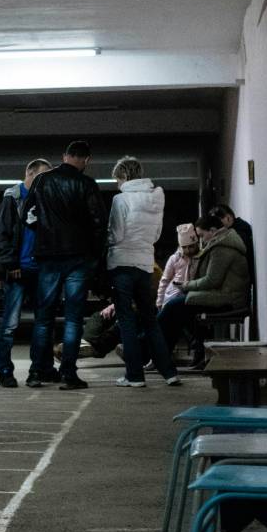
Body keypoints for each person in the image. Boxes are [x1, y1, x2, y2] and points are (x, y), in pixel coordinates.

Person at [21, 140, 106, 389]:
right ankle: (68, 373)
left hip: (48, 256)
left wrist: (44, 232)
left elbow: (27, 216)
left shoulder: (42, 180)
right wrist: (94, 256)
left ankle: (36, 372)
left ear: (64, 155)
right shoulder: (87, 184)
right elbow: (99, 223)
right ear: (87, 160)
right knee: (73, 319)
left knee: (43, 318)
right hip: (78, 258)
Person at [105, 156, 179, 387]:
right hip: (145, 264)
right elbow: (156, 235)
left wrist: (105, 240)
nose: (117, 184)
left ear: (124, 176)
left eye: (117, 179)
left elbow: (115, 234)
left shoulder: (120, 199)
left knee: (126, 320)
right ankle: (169, 372)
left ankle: (134, 375)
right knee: (150, 321)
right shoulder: (156, 197)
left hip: (122, 264)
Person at [157, 214, 250, 367]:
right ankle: (160, 352)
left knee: (174, 307)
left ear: (212, 231)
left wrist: (186, 286)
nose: (201, 240)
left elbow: (212, 280)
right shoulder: (220, 244)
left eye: (201, 235)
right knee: (176, 309)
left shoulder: (222, 249)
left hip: (228, 299)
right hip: (226, 295)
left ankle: (149, 346)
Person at [0, 158, 52, 388]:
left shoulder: (46, 199)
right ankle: (5, 371)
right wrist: (11, 264)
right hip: (18, 270)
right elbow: (1, 235)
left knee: (43, 324)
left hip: (41, 270)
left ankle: (42, 369)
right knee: (10, 324)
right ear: (30, 173)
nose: (45, 181)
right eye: (42, 175)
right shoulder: (13, 198)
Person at [208, 204, 255, 284]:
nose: (216, 227)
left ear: (228, 218)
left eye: (217, 222)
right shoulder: (239, 230)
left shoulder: (238, 235)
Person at [156, 223, 200, 309]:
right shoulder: (174, 258)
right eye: (184, 247)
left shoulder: (201, 257)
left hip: (192, 296)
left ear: (196, 243)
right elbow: (165, 280)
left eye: (191, 246)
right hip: (173, 295)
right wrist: (160, 301)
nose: (188, 250)